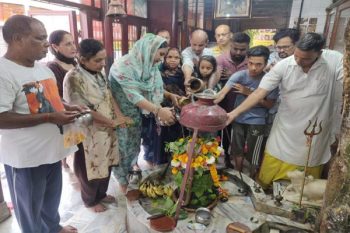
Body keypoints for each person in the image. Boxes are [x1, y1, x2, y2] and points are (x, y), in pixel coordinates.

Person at [225, 33, 343, 189]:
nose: (299, 61)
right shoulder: (284, 65)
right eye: (297, 56)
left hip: (315, 129)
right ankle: (265, 189)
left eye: (306, 59)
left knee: (305, 180)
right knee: (273, 161)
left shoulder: (334, 60)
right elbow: (260, 92)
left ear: (319, 53)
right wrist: (233, 113)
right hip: (285, 127)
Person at [0, 15, 80, 233]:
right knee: (30, 209)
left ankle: (53, 228)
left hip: (51, 151)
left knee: (51, 199)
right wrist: (49, 118)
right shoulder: (3, 72)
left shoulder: (42, 69)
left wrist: (67, 107)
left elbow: (51, 100)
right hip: (26, 158)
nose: (47, 43)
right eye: (40, 38)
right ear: (18, 39)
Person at [63, 39, 132, 212]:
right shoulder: (73, 77)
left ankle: (100, 194)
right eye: (97, 60)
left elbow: (109, 96)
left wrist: (120, 117)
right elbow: (83, 110)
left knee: (106, 163)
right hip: (87, 132)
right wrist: (112, 122)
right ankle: (90, 201)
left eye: (104, 60)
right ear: (83, 59)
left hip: (106, 128)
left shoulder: (98, 73)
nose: (102, 64)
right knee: (89, 168)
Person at [108, 34, 177, 193]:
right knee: (124, 150)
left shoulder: (149, 65)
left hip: (140, 113)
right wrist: (159, 110)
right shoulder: (123, 65)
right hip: (122, 114)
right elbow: (134, 96)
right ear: (149, 50)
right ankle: (123, 185)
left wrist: (169, 95)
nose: (161, 59)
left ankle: (131, 173)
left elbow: (152, 87)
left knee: (133, 148)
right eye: (160, 54)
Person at [215, 46, 278, 177]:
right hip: (238, 119)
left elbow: (269, 104)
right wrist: (205, 102)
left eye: (259, 64)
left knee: (254, 153)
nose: (254, 68)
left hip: (258, 121)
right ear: (247, 61)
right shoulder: (239, 75)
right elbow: (221, 94)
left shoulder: (270, 80)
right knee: (237, 150)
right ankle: (239, 175)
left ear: (266, 64)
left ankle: (252, 178)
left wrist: (249, 93)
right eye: (250, 63)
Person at [142, 48, 185, 165]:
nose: (173, 60)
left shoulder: (184, 74)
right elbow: (154, 91)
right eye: (169, 57)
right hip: (160, 110)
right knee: (160, 138)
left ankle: (175, 163)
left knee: (176, 138)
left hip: (179, 111)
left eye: (176, 58)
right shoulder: (157, 72)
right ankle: (159, 163)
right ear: (164, 58)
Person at [215, 32, 250, 168]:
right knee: (224, 132)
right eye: (235, 48)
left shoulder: (251, 61)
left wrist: (233, 75)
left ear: (248, 47)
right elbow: (217, 75)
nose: (238, 52)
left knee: (240, 136)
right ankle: (223, 157)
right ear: (230, 45)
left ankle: (237, 158)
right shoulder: (221, 59)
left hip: (244, 106)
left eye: (242, 49)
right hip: (225, 104)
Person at [47, 30, 77, 169]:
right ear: (55, 47)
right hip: (68, 115)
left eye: (73, 43)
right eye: (68, 44)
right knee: (72, 154)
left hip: (83, 113)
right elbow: (56, 97)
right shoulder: (53, 67)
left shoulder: (75, 63)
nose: (73, 47)